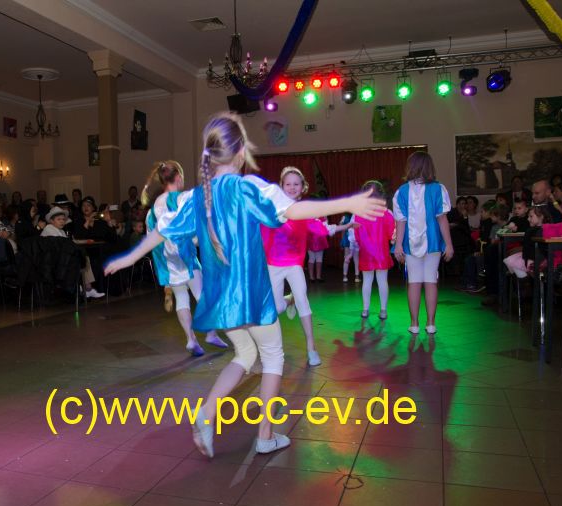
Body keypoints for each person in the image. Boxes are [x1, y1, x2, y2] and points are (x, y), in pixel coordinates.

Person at [105, 112, 386, 458]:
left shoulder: (197, 196)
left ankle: (207, 413)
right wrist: (349, 203)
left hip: (221, 300)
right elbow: (294, 211)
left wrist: (129, 258)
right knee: (273, 357)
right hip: (251, 296)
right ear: (240, 153)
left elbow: (161, 231)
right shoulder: (247, 187)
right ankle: (265, 435)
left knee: (246, 354)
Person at [260, 167, 355, 366]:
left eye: (296, 184)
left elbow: (322, 229)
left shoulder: (304, 212)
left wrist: (345, 226)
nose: (292, 187)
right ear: (281, 186)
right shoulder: (270, 208)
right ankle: (289, 300)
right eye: (288, 184)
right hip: (273, 264)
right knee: (276, 308)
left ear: (302, 187)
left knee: (303, 300)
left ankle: (311, 348)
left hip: (294, 263)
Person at [143, 160, 229, 356]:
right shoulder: (181, 199)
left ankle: (191, 339)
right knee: (201, 294)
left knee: (181, 297)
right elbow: (192, 228)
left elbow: (151, 238)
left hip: (167, 261)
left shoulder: (152, 210)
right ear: (179, 177)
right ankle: (211, 333)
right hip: (184, 254)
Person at [393, 151, 454, 334]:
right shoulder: (438, 189)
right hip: (433, 242)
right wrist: (449, 244)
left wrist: (398, 245)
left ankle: (414, 324)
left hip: (410, 244)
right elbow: (442, 219)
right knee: (430, 281)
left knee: (414, 282)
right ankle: (431, 323)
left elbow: (400, 221)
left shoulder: (401, 191)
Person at [42, 206, 103, 299]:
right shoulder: (49, 228)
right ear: (51, 221)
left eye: (63, 219)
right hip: (52, 262)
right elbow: (61, 245)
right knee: (81, 259)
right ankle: (84, 288)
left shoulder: (61, 231)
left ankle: (86, 287)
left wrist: (82, 241)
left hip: (61, 259)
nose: (62, 221)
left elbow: (68, 243)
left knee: (83, 258)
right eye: (59, 219)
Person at [355, 181, 395, 319]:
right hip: (381, 252)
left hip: (366, 253)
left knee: (367, 281)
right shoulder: (386, 213)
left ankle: (365, 309)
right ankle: (383, 310)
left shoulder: (359, 214)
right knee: (382, 281)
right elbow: (391, 234)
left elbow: (356, 236)